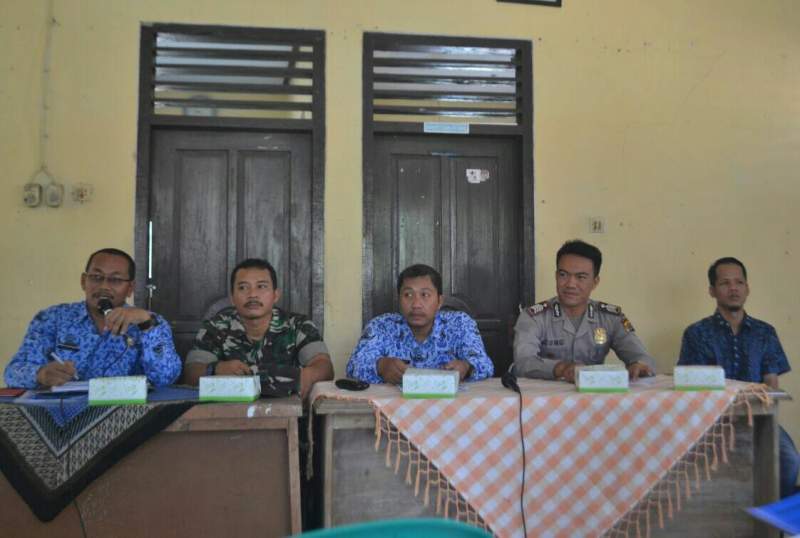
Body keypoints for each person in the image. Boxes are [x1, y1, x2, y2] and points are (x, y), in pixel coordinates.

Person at [679, 256, 799, 497]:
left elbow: (771, 384)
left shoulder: (765, 332)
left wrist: (766, 418)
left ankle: (773, 529)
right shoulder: (697, 333)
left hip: (759, 419)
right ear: (712, 290)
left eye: (739, 282)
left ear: (747, 288)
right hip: (712, 422)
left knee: (789, 459)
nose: (733, 288)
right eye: (725, 283)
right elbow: (692, 386)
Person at [4, 248, 181, 389]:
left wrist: (146, 324)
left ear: (130, 288)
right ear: (83, 281)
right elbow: (12, 373)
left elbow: (166, 379)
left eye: (116, 280)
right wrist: (40, 374)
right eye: (96, 277)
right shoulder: (52, 319)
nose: (104, 286)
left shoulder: (150, 323)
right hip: (60, 416)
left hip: (127, 418)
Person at [182, 258, 333, 399]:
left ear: (275, 295)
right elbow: (191, 373)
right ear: (232, 298)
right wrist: (215, 369)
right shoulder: (215, 327)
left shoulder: (299, 325)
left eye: (261, 286)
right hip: (229, 414)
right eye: (243, 287)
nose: (252, 295)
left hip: (287, 415)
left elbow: (324, 367)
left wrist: (308, 376)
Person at [513, 239, 656, 383]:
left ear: (595, 282)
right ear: (556, 276)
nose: (571, 284)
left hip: (594, 399)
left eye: (580, 277)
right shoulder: (533, 317)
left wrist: (639, 365)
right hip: (545, 400)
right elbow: (523, 363)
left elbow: (642, 357)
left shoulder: (611, 318)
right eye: (563, 275)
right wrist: (560, 368)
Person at [346, 263, 494, 384]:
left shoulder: (460, 324)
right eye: (408, 295)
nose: (416, 304)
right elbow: (353, 367)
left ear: (439, 301)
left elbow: (485, 365)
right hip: (393, 412)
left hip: (449, 411)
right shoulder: (381, 326)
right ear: (399, 299)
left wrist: (466, 367)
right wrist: (380, 366)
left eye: (425, 295)